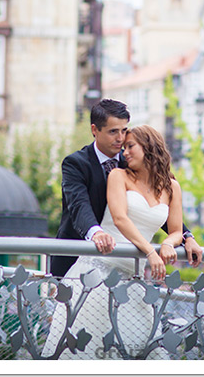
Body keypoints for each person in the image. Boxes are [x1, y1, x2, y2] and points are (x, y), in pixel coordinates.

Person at [43, 124, 188, 359]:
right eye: (124, 148)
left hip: (135, 281)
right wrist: (151, 252)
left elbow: (176, 230)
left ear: (149, 148)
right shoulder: (118, 176)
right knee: (87, 350)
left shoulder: (172, 187)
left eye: (130, 146)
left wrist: (170, 243)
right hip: (98, 273)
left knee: (133, 349)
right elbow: (120, 219)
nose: (125, 152)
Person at [49, 99, 202, 278]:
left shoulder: (132, 161)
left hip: (127, 263)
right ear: (94, 130)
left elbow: (153, 203)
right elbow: (78, 205)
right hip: (76, 255)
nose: (120, 139)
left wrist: (187, 237)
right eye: (113, 131)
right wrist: (96, 232)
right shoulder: (76, 163)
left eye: (124, 130)